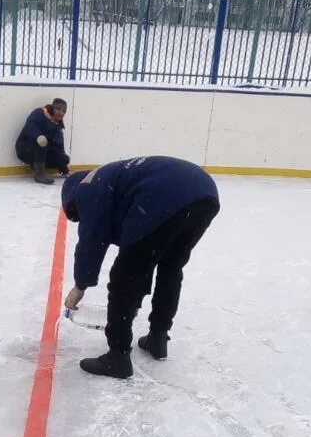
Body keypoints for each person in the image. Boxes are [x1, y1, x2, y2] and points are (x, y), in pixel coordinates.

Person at [62, 156, 220, 379]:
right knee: (170, 267)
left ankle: (117, 357)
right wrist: (135, 298)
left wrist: (80, 285)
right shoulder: (109, 179)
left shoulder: (87, 188)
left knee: (124, 278)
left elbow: (92, 240)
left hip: (164, 196)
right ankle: (158, 337)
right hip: (203, 193)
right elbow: (143, 246)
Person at [15, 98, 71, 185]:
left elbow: (59, 146)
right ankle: (39, 174)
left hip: (42, 153)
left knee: (64, 159)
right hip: (25, 148)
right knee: (42, 142)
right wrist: (38, 136)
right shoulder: (39, 113)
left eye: (64, 111)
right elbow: (30, 125)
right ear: (53, 108)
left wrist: (64, 168)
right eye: (58, 109)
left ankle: (37, 166)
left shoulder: (58, 125)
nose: (61, 113)